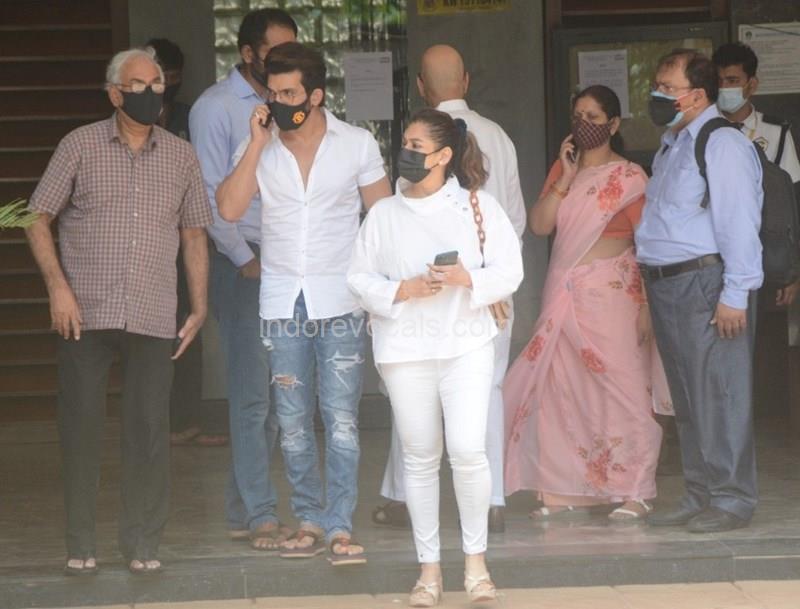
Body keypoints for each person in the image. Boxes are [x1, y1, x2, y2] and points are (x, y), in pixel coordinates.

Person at [25, 47, 212, 575]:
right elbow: (35, 218)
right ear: (114, 94)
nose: (151, 94)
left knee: (149, 431)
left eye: (157, 85)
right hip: (84, 314)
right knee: (81, 429)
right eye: (139, 86)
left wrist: (200, 306)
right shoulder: (79, 145)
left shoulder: (181, 155)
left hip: (153, 313)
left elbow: (194, 233)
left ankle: (143, 543)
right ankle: (81, 542)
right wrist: (57, 289)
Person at [216, 41, 392, 565]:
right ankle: (309, 518)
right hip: (281, 302)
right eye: (272, 92)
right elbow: (228, 209)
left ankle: (339, 524)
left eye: (290, 93)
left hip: (341, 300)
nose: (278, 101)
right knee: (292, 421)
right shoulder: (260, 145)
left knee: (341, 420)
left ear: (315, 95)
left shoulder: (357, 143)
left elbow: (384, 220)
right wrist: (255, 144)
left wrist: (384, 291)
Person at [348, 108, 523, 606]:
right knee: (420, 457)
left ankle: (476, 564)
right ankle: (429, 570)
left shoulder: (478, 206)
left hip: (466, 344)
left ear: (444, 155)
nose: (406, 151)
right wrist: (402, 289)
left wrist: (468, 278)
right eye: (405, 142)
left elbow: (510, 270)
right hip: (405, 350)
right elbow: (358, 278)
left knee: (467, 451)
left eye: (417, 146)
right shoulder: (384, 213)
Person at [374, 44, 525, 534]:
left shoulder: (414, 151)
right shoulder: (499, 136)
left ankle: (403, 496)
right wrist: (490, 282)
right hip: (487, 293)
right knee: (486, 392)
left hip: (428, 292)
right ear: (466, 81)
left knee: (412, 393)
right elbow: (516, 220)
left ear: (421, 86)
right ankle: (492, 500)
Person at [504, 85, 667, 521]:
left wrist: (648, 305)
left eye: (594, 118)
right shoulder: (564, 170)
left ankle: (635, 488)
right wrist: (564, 178)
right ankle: (567, 490)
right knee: (562, 388)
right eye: (578, 116)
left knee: (623, 390)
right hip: (564, 293)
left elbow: (648, 244)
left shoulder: (630, 177)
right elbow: (540, 226)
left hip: (613, 297)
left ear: (613, 124)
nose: (584, 125)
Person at [637, 49, 763, 533]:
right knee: (688, 397)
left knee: (720, 393)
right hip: (668, 284)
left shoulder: (721, 142)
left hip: (705, 283)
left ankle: (732, 499)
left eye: (668, 88)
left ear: (698, 94)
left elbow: (739, 222)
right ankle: (700, 493)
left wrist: (735, 294)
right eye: (658, 86)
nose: (658, 95)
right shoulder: (673, 143)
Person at [189, 8, 297, 550]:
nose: (285, 60)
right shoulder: (215, 107)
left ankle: (241, 507)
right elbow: (207, 194)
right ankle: (259, 512)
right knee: (254, 396)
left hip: (284, 259)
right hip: (244, 260)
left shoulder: (291, 102)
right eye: (275, 51)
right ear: (248, 53)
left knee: (278, 397)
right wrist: (240, 256)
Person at [147, 37, 228, 448]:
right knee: (145, 335)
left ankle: (187, 420)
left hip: (185, 240)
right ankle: (151, 423)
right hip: (140, 242)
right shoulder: (121, 118)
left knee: (188, 326)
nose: (165, 84)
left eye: (172, 76)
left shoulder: (188, 115)